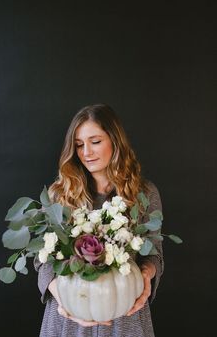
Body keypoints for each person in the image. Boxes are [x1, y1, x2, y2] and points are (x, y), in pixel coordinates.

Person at [35, 104, 164, 337]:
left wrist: (145, 278)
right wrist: (64, 301)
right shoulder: (59, 195)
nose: (86, 152)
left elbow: (154, 252)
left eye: (95, 142)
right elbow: (42, 261)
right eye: (79, 145)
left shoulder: (144, 194)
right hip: (68, 317)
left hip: (124, 315)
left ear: (115, 141)